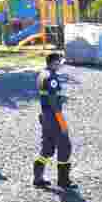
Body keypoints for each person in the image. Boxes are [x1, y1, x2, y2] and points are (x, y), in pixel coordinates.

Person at [33, 52, 76, 190]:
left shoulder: (41, 74)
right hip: (54, 116)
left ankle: (38, 178)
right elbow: (53, 101)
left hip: (45, 116)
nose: (61, 65)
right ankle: (63, 181)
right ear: (54, 62)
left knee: (47, 148)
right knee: (65, 146)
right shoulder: (52, 78)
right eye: (59, 62)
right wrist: (62, 123)